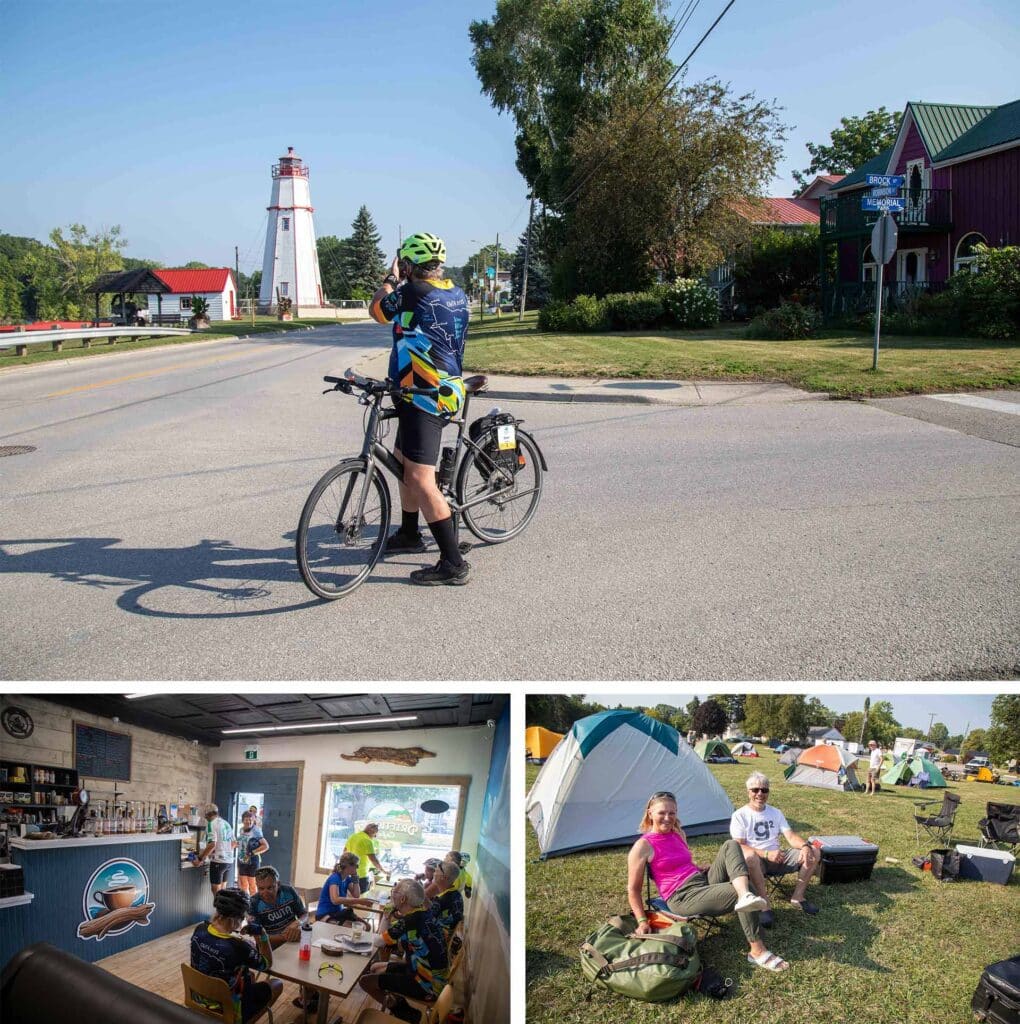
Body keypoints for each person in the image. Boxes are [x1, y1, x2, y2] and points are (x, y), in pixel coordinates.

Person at [369, 232, 471, 586]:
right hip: (427, 390)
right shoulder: (455, 292)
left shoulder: (411, 291)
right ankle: (410, 534)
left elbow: (378, 310)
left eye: (404, 264)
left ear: (409, 265)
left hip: (426, 395)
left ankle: (453, 562)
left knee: (418, 477)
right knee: (401, 458)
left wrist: (389, 280)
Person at [627, 791, 789, 972]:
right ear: (650, 813)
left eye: (672, 813)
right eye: (662, 813)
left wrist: (697, 867)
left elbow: (681, 863)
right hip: (682, 896)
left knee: (731, 845)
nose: (667, 818)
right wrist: (642, 921)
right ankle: (757, 950)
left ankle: (744, 895)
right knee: (744, 887)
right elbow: (633, 890)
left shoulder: (678, 834)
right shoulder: (643, 846)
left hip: (700, 880)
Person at [730, 771, 821, 926]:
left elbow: (791, 836)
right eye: (755, 790)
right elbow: (738, 844)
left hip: (779, 857)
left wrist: (805, 846)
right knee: (750, 856)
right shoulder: (740, 815)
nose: (760, 793)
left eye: (764, 790)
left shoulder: (775, 813)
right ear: (748, 792)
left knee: (815, 851)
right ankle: (764, 904)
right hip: (757, 861)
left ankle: (798, 897)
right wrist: (766, 853)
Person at [359, 878, 449, 1023]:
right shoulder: (425, 913)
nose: (392, 894)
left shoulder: (408, 922)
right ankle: (396, 1001)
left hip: (426, 984)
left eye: (394, 891)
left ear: (403, 899)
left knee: (365, 981)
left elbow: (379, 942)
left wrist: (386, 916)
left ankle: (405, 1013)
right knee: (375, 967)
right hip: (431, 975)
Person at [190, 888, 282, 1023]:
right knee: (277, 984)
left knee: (249, 975)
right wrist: (262, 934)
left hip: (199, 998)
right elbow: (266, 963)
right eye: (243, 917)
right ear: (235, 919)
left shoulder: (200, 929)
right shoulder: (238, 947)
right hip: (229, 1009)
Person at [249, 866, 317, 1012]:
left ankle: (309, 994)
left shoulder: (288, 891)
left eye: (270, 887)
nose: (265, 893)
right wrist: (285, 937)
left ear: (278, 884)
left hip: (294, 939)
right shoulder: (253, 903)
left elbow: (304, 915)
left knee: (313, 960)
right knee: (305, 964)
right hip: (272, 947)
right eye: (260, 888)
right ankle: (309, 995)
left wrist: (297, 923)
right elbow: (259, 940)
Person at [315, 852, 376, 924]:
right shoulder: (335, 878)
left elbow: (356, 895)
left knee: (366, 925)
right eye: (356, 865)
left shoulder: (346, 878)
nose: (357, 868)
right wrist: (359, 901)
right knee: (350, 927)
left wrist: (355, 877)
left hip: (337, 912)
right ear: (348, 865)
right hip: (325, 914)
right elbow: (335, 900)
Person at [193, 803, 235, 896]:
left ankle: (219, 910)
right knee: (223, 890)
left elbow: (212, 844)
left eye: (205, 815)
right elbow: (234, 843)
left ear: (207, 814)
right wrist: (224, 850)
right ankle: (223, 910)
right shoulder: (226, 823)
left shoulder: (211, 824)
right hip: (229, 861)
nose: (205, 817)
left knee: (216, 890)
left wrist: (200, 858)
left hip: (218, 862)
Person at [344, 822, 389, 892]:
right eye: (375, 834)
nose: (374, 837)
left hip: (348, 873)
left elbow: (344, 852)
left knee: (349, 898)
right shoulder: (367, 841)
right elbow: (373, 860)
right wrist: (383, 871)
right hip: (361, 875)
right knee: (361, 899)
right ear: (372, 832)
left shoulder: (353, 836)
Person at [429, 861, 464, 947]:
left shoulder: (441, 900)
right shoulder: (457, 894)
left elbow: (425, 921)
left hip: (437, 942)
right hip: (445, 938)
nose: (434, 873)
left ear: (443, 877)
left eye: (436, 871)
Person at [236, 810, 269, 897]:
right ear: (243, 820)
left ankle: (254, 905)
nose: (248, 821)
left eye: (250, 819)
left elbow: (265, 846)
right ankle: (246, 904)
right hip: (242, 861)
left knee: (252, 886)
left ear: (253, 820)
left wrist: (251, 853)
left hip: (253, 861)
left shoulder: (256, 831)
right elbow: (242, 843)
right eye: (246, 819)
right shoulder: (241, 830)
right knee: (243, 885)